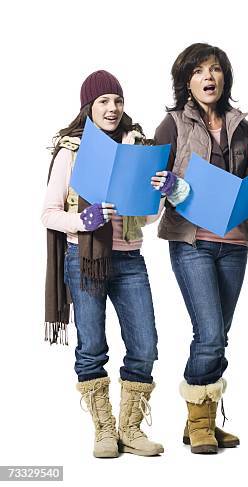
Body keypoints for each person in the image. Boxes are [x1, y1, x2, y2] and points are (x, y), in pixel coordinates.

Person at [42, 70, 164, 458]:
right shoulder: (71, 151)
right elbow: (48, 213)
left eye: (118, 101)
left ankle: (131, 428)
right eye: (103, 102)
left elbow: (146, 218)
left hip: (129, 257)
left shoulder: (137, 148)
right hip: (84, 259)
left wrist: (157, 195)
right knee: (92, 346)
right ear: (88, 107)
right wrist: (83, 220)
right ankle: (104, 430)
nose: (113, 109)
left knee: (144, 345)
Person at [153, 43, 248, 454]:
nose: (208, 77)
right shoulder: (172, 124)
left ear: (224, 77)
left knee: (219, 335)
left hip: (234, 241)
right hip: (192, 240)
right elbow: (152, 178)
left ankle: (204, 420)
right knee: (209, 333)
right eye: (198, 71)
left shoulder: (241, 124)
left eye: (215, 69)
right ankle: (198, 422)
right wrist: (170, 186)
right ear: (187, 81)